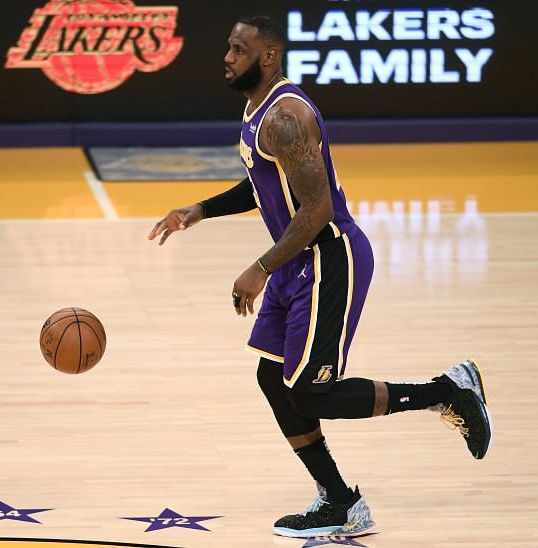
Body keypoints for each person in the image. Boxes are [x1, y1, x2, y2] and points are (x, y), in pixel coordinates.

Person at [147, 15, 492, 539]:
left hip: (330, 258)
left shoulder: (285, 117)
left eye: (239, 49)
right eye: (228, 46)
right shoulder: (256, 110)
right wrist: (198, 210)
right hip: (296, 261)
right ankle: (339, 501)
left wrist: (260, 268)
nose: (227, 56)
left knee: (309, 391)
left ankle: (447, 391)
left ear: (268, 56)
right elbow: (263, 185)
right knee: (273, 377)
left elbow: (317, 210)